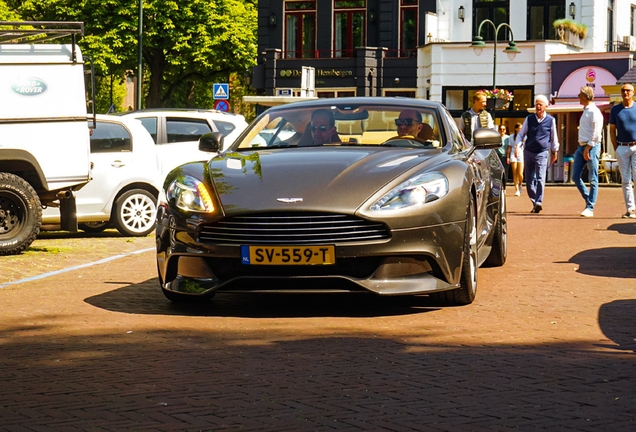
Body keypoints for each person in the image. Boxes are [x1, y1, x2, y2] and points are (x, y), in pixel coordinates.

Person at [515, 95, 559, 213]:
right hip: (528, 151)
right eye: (536, 104)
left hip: (542, 152)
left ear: (545, 106)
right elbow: (521, 134)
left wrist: (555, 151)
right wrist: (517, 146)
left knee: (540, 178)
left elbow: (553, 137)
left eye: (540, 104)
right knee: (529, 181)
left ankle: (539, 201)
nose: (538, 106)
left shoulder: (550, 120)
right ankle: (535, 202)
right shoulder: (529, 119)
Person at [572, 86, 603, 218]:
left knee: (593, 177)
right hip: (581, 146)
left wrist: (588, 148)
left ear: (585, 96)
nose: (578, 96)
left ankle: (590, 207)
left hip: (591, 146)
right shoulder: (586, 111)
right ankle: (588, 199)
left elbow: (596, 133)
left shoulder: (594, 112)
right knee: (575, 176)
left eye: (580, 94)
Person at [609, 83, 636, 219]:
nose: (626, 93)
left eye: (628, 91)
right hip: (622, 147)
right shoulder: (615, 110)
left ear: (633, 92)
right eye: (623, 91)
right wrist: (616, 148)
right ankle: (630, 209)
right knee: (626, 180)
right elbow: (612, 130)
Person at [506, 122, 525, 196]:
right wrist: (507, 157)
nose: (521, 129)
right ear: (516, 129)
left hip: (521, 154)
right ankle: (516, 189)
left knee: (520, 173)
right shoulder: (511, 137)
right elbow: (509, 147)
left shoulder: (524, 136)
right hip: (513, 154)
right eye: (520, 128)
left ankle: (520, 184)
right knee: (514, 171)